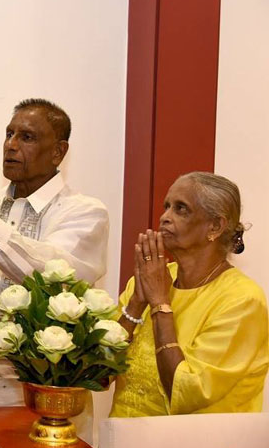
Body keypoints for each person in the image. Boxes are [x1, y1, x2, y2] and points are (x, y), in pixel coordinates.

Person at [0, 98, 110, 407]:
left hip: (40, 401)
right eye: (9, 134)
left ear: (58, 151)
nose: (10, 145)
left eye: (26, 137)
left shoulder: (84, 213)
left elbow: (52, 274)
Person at [110, 172, 268, 416]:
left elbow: (186, 393)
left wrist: (160, 303)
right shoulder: (151, 278)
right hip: (120, 446)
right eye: (167, 207)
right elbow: (96, 376)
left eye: (181, 209)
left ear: (215, 226)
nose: (164, 218)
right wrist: (136, 304)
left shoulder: (242, 300)